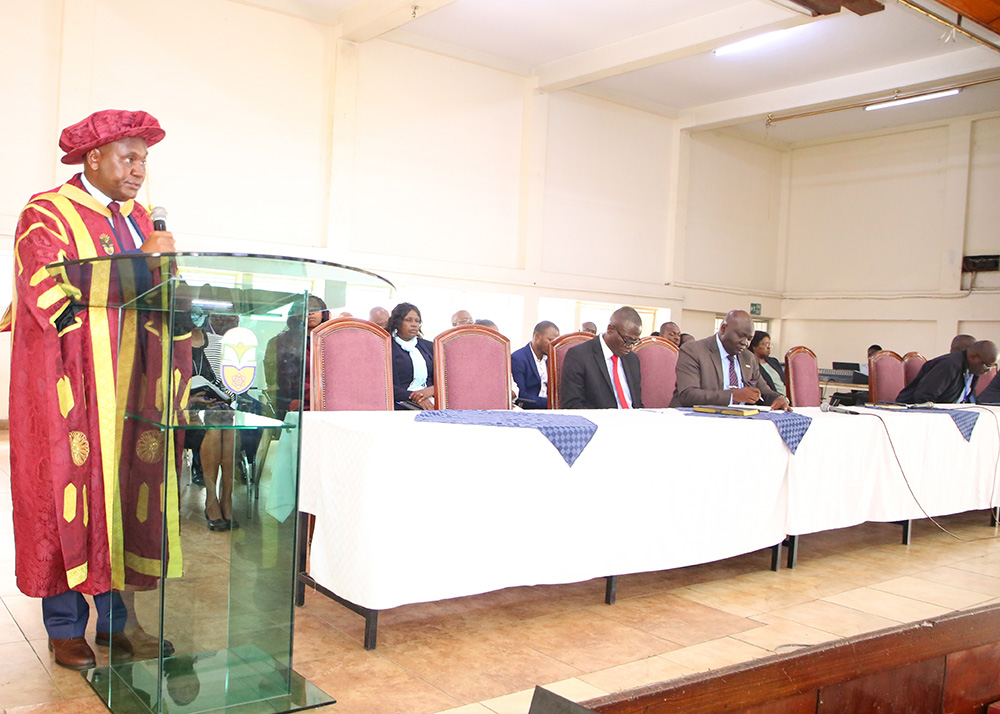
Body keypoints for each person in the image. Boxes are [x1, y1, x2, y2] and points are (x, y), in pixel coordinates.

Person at [8, 109, 175, 670]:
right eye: (129, 157)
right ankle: (64, 628)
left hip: (129, 385)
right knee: (62, 496)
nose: (139, 170)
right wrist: (141, 265)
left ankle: (118, 625)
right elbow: (49, 288)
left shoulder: (140, 222)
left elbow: (153, 296)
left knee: (122, 499)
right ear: (93, 158)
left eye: (145, 160)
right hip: (69, 384)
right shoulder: (46, 212)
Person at [671, 310, 790, 410]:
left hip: (740, 421)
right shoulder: (694, 351)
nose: (745, 343)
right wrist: (733, 396)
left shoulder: (749, 357)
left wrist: (779, 398)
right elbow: (688, 395)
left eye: (749, 339)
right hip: (696, 419)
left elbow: (764, 391)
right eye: (740, 335)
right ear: (723, 329)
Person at [560, 308, 643, 409]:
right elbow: (572, 406)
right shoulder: (579, 356)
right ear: (610, 329)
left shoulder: (632, 359)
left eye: (634, 342)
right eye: (626, 340)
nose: (630, 347)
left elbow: (637, 404)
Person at [897, 340, 997, 404]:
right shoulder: (949, 365)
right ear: (973, 357)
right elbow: (924, 397)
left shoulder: (974, 369)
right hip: (914, 412)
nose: (988, 370)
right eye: (987, 365)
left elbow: (968, 398)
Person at [390, 302, 435, 409]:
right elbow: (382, 385)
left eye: (417, 321)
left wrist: (433, 390)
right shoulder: (386, 347)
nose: (414, 324)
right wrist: (415, 397)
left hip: (432, 398)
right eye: (408, 320)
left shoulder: (430, 347)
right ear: (397, 322)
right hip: (400, 402)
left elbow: (445, 378)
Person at [511, 321, 560, 409]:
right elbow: (521, 394)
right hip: (529, 410)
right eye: (550, 340)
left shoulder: (551, 359)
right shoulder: (518, 358)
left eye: (555, 341)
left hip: (552, 410)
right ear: (537, 337)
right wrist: (550, 403)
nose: (553, 345)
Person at [749, 330, 787, 398]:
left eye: (769, 344)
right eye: (765, 344)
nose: (768, 347)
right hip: (771, 399)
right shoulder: (751, 364)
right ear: (754, 346)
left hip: (787, 399)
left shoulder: (774, 361)